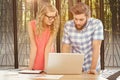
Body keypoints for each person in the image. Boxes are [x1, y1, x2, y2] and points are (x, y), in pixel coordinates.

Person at [62, 2, 104, 74]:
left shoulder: (96, 24)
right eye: (76, 19)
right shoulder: (68, 25)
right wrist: (66, 67)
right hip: (75, 67)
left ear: (88, 17)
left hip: (92, 66)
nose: (78, 22)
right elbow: (65, 47)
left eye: (81, 19)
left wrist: (92, 69)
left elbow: (96, 47)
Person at [27, 2, 59, 70]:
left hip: (48, 60)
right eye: (49, 17)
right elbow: (34, 46)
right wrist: (29, 68)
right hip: (36, 60)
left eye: (54, 17)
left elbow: (48, 48)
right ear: (42, 16)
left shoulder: (54, 26)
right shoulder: (31, 25)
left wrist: (46, 68)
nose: (52, 20)